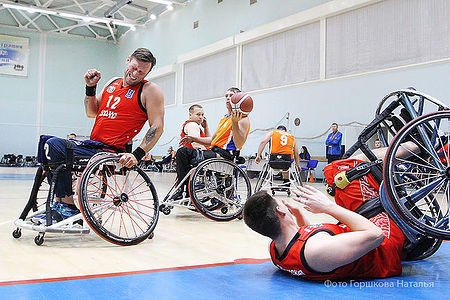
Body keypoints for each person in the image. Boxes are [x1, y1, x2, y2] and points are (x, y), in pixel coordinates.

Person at [34, 48, 164, 223]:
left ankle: (68, 206)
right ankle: (59, 202)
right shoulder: (113, 83)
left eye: (141, 72)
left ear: (147, 73)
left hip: (110, 151)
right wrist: (90, 88)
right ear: (127, 60)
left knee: (55, 145)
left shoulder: (150, 90)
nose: (135, 74)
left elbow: (157, 126)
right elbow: (91, 112)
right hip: (93, 145)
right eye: (133, 67)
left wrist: (137, 155)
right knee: (46, 142)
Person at [172, 87, 251, 200]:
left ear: (238, 99)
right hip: (215, 152)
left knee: (183, 152)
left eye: (231, 95)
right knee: (183, 152)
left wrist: (234, 122)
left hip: (225, 155)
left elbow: (239, 143)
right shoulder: (224, 118)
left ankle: (184, 191)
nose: (228, 98)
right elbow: (212, 141)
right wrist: (193, 139)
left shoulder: (243, 119)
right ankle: (185, 190)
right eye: (226, 96)